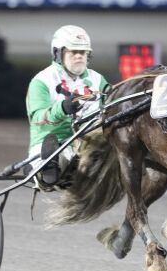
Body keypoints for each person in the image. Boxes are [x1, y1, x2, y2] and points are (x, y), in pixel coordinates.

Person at [25, 25, 109, 188]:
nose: (79, 56)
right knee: (61, 154)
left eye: (83, 52)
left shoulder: (98, 80)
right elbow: (37, 119)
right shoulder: (42, 81)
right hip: (52, 141)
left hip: (89, 141)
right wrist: (62, 108)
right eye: (73, 52)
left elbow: (114, 100)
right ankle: (44, 169)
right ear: (58, 53)